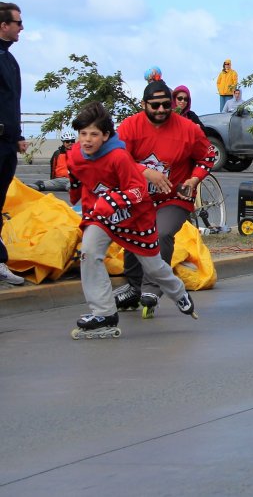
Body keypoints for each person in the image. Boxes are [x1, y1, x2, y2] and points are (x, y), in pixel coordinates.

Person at [67, 102, 198, 339]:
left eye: (94, 134)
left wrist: (112, 201)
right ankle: (104, 313)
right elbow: (76, 170)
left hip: (135, 219)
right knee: (88, 253)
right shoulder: (76, 153)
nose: (87, 140)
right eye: (83, 134)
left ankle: (179, 292)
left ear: (106, 136)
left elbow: (139, 191)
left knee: (154, 268)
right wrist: (76, 190)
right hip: (102, 217)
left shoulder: (118, 157)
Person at [112, 80, 216, 318]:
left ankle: (152, 288)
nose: (161, 110)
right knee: (133, 233)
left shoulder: (188, 129)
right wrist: (145, 171)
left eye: (165, 105)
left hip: (174, 198)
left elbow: (208, 156)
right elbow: (116, 156)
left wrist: (194, 180)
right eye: (155, 105)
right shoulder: (130, 127)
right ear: (143, 104)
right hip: (139, 198)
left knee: (160, 233)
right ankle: (134, 285)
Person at [0, 2, 27, 286]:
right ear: (3, 25)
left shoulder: (9, 59)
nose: (22, 28)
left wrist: (18, 134)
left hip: (7, 142)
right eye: (18, 22)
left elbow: (12, 101)